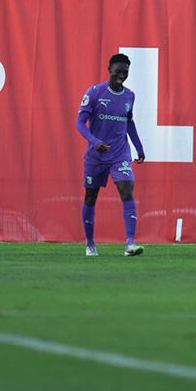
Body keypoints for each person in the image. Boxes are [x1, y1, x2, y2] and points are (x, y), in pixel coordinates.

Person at [77, 53, 147, 257]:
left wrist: (139, 147)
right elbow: (80, 123)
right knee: (91, 197)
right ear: (109, 69)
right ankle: (90, 243)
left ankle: (130, 244)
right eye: (118, 71)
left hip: (119, 154)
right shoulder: (95, 93)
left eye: (125, 72)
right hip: (96, 155)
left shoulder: (129, 96)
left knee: (127, 191)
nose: (122, 75)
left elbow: (129, 122)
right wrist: (95, 141)